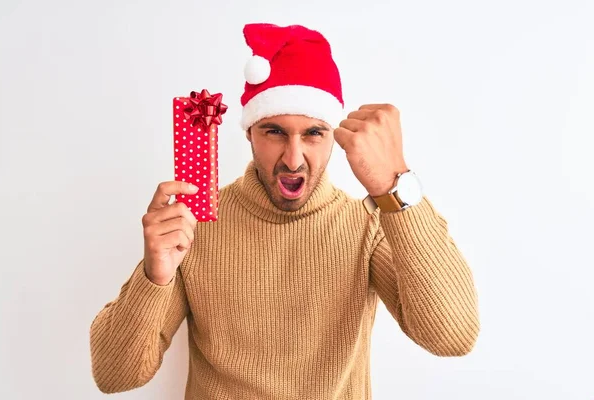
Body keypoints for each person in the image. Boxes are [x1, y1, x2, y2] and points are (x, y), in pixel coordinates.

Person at [90, 22, 480, 399]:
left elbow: (454, 337)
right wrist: (153, 276)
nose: (293, 159)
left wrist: (396, 186)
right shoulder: (195, 226)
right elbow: (114, 377)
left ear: (334, 138)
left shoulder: (368, 225)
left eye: (313, 133)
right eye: (274, 131)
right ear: (249, 133)